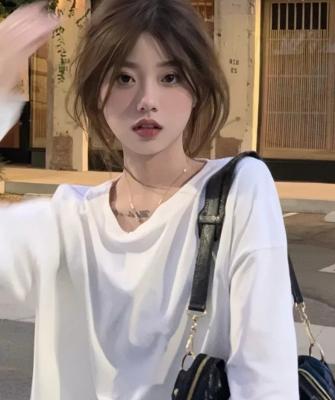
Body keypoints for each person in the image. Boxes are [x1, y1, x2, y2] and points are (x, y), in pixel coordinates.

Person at [0, 0, 298, 399]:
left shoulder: (240, 189)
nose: (147, 99)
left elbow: (266, 376)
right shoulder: (69, 215)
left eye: (170, 77)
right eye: (124, 78)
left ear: (197, 87)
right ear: (97, 93)